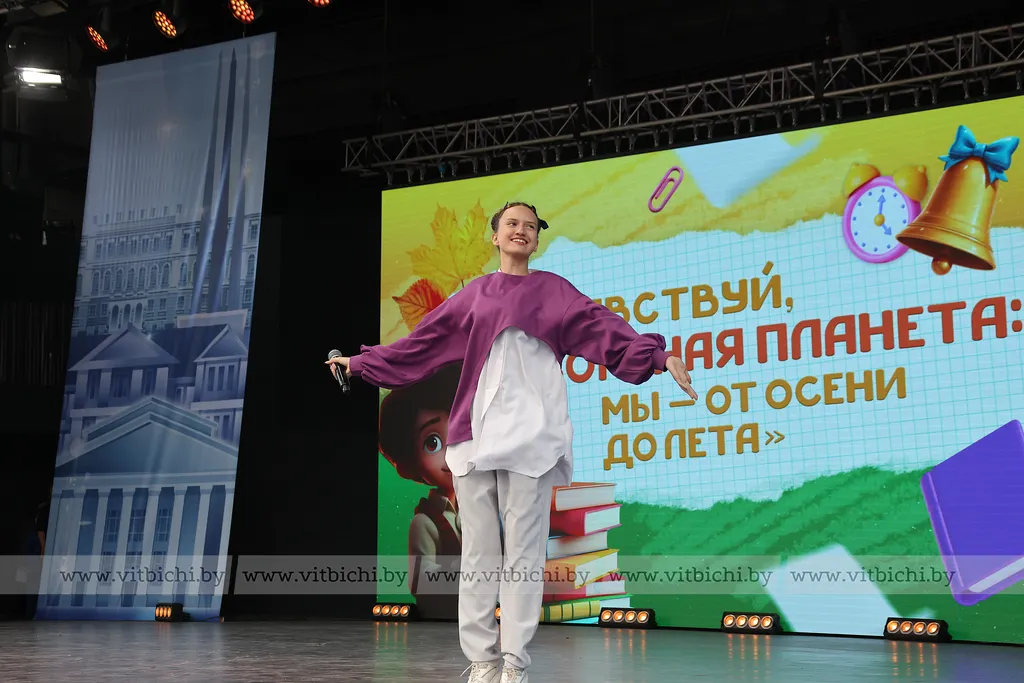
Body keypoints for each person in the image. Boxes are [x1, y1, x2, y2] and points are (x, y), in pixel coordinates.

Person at [327, 202, 697, 683]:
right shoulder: (474, 294)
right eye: (511, 224)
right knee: (479, 553)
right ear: (495, 237)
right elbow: (422, 345)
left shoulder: (555, 292)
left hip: (532, 437)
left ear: (537, 238)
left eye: (529, 225)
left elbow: (606, 332)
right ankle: (482, 660)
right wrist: (359, 365)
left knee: (524, 553)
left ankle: (515, 662)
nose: (521, 231)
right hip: (473, 436)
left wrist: (660, 358)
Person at [377, 363, 464, 620]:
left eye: (460, 434)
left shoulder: (476, 509)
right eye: (433, 442)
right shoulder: (425, 523)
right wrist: (466, 569)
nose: (451, 454)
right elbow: (420, 580)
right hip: (440, 618)